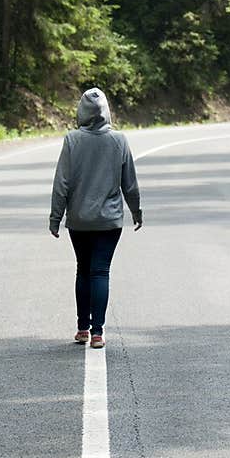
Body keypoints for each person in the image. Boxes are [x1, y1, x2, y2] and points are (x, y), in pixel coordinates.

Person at [49, 86, 142, 348]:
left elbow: (61, 183)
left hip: (79, 219)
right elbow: (130, 183)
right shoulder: (119, 140)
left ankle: (82, 328)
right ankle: (98, 332)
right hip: (109, 221)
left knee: (83, 270)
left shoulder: (72, 140)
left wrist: (55, 218)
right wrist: (136, 211)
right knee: (100, 271)